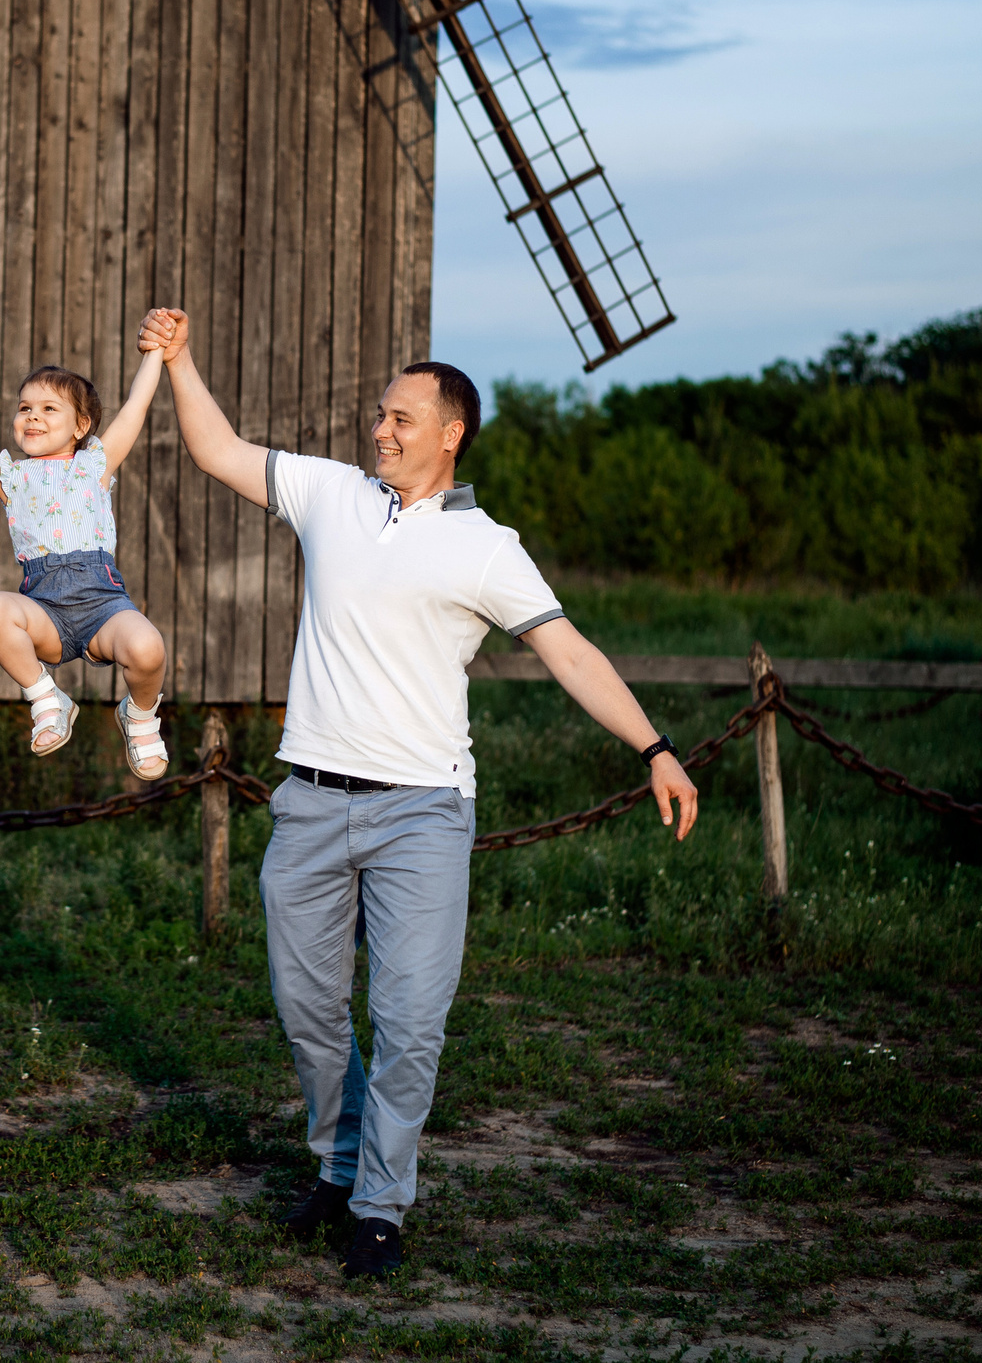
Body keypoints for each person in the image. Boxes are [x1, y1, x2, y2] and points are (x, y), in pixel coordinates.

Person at [138, 307, 701, 1280]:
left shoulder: (486, 546)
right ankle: (337, 1159)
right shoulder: (327, 495)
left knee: (407, 1019)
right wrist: (181, 359)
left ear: (451, 433)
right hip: (310, 799)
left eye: (402, 418)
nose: (379, 430)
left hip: (421, 814)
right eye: (377, 415)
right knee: (308, 1008)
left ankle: (380, 1205)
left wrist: (654, 744)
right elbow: (216, 448)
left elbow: (566, 648)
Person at [0, 346, 173, 777]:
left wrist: (156, 351)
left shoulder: (95, 464)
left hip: (103, 605)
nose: (32, 416)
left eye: (48, 408)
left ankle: (139, 716)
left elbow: (137, 407)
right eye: (25, 407)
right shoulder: (11, 477)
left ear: (81, 425)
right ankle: (46, 698)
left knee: (148, 647)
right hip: (44, 610)